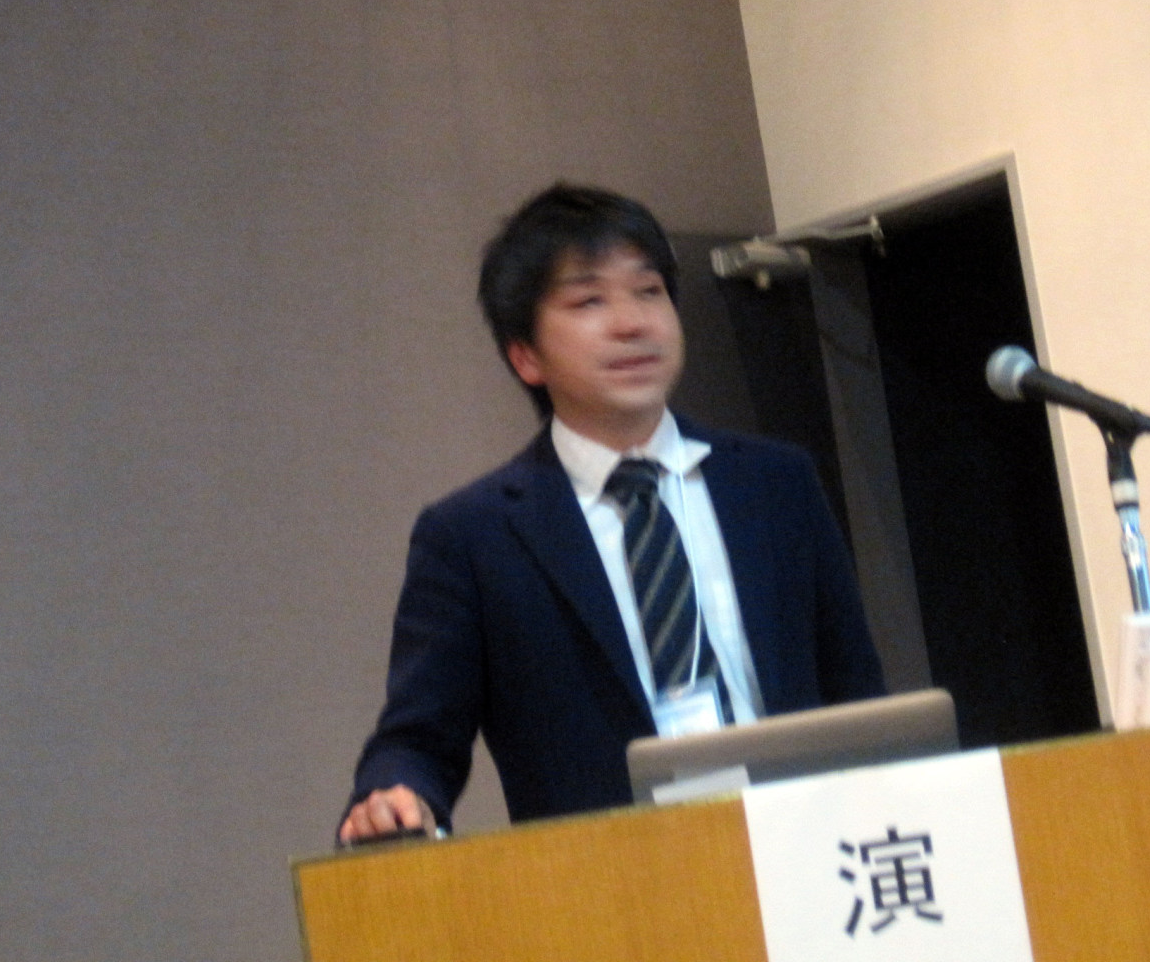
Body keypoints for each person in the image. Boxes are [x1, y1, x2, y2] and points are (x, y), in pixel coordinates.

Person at [339, 183, 884, 843]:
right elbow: (418, 738)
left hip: (805, 848)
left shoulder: (775, 483)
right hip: (613, 877)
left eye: (648, 291)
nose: (632, 322)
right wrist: (393, 795)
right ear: (525, 355)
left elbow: (857, 691)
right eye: (589, 300)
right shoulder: (473, 536)